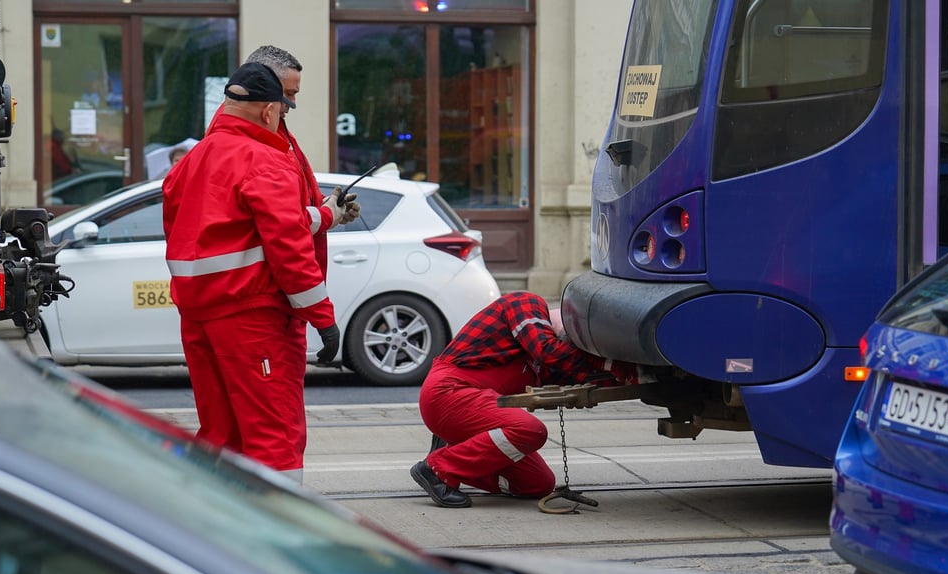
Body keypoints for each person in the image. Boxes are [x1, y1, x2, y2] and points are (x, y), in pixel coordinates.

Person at [162, 63, 357, 483]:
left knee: (220, 430)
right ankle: (280, 534)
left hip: (199, 315)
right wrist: (322, 317)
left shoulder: (192, 160)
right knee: (274, 431)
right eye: (285, 108)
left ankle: (208, 524)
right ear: (269, 112)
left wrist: (322, 215)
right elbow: (286, 246)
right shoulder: (265, 159)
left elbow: (222, 227)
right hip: (253, 317)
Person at [410, 291, 639, 508]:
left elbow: (587, 376)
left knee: (537, 484)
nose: (572, 349)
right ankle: (438, 468)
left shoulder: (550, 360)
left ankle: (456, 451)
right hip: (448, 392)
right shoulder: (526, 304)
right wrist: (608, 364)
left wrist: (634, 376)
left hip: (474, 408)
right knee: (530, 430)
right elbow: (548, 350)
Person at [235, 46, 357, 279]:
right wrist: (328, 214)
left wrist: (329, 204)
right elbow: (282, 223)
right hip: (266, 292)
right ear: (264, 84)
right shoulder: (255, 148)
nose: (293, 103)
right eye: (288, 93)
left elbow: (287, 205)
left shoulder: (278, 136)